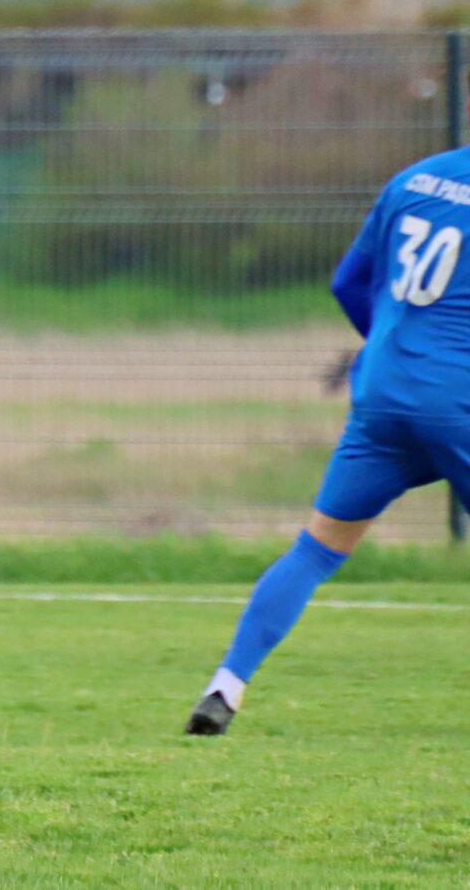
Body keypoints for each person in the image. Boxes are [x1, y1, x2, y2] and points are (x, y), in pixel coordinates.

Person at [187, 146, 470, 736]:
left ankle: (225, 685)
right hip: (458, 398)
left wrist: (396, 346)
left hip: (383, 389)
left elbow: (347, 282)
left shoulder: (413, 179)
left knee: (316, 550)